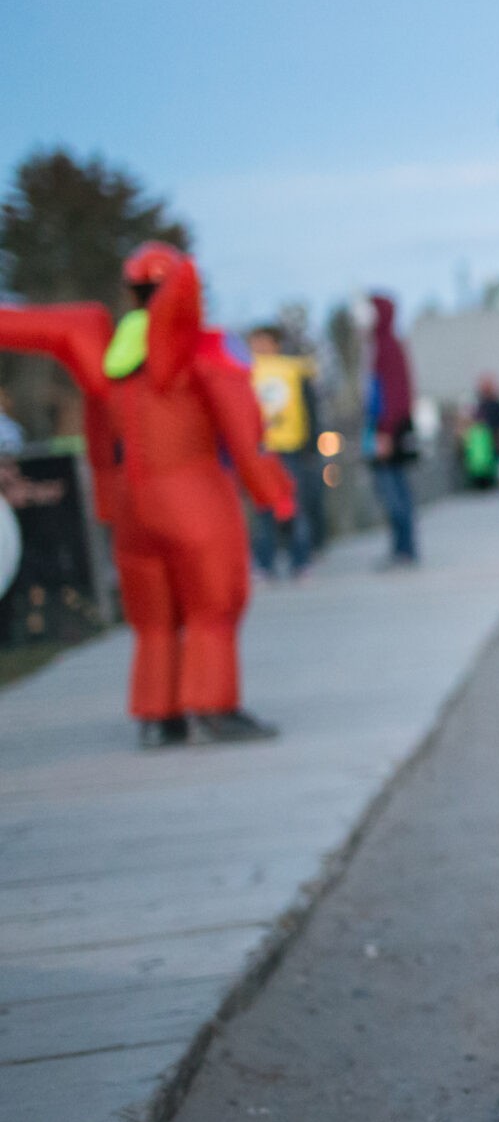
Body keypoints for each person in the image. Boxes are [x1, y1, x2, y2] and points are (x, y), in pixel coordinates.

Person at [0, 243, 293, 746]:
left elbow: (97, 437)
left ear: (131, 291)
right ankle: (214, 705)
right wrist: (273, 493)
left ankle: (159, 717)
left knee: (154, 619)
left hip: (135, 512)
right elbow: (244, 428)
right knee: (214, 604)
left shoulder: (105, 353)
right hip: (195, 494)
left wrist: (108, 502)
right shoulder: (204, 350)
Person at [247, 325, 321, 577]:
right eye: (255, 342)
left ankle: (300, 560)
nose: (259, 347)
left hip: (290, 448)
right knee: (264, 509)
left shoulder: (293, 370)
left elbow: (309, 409)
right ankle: (265, 563)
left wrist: (311, 445)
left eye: (263, 341)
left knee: (293, 507)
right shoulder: (245, 371)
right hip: (261, 450)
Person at [363, 293, 419, 567]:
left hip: (389, 431)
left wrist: (384, 432)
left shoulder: (387, 347)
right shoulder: (382, 345)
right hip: (387, 429)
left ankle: (404, 550)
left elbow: (393, 394)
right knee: (394, 490)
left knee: (393, 491)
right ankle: (402, 548)